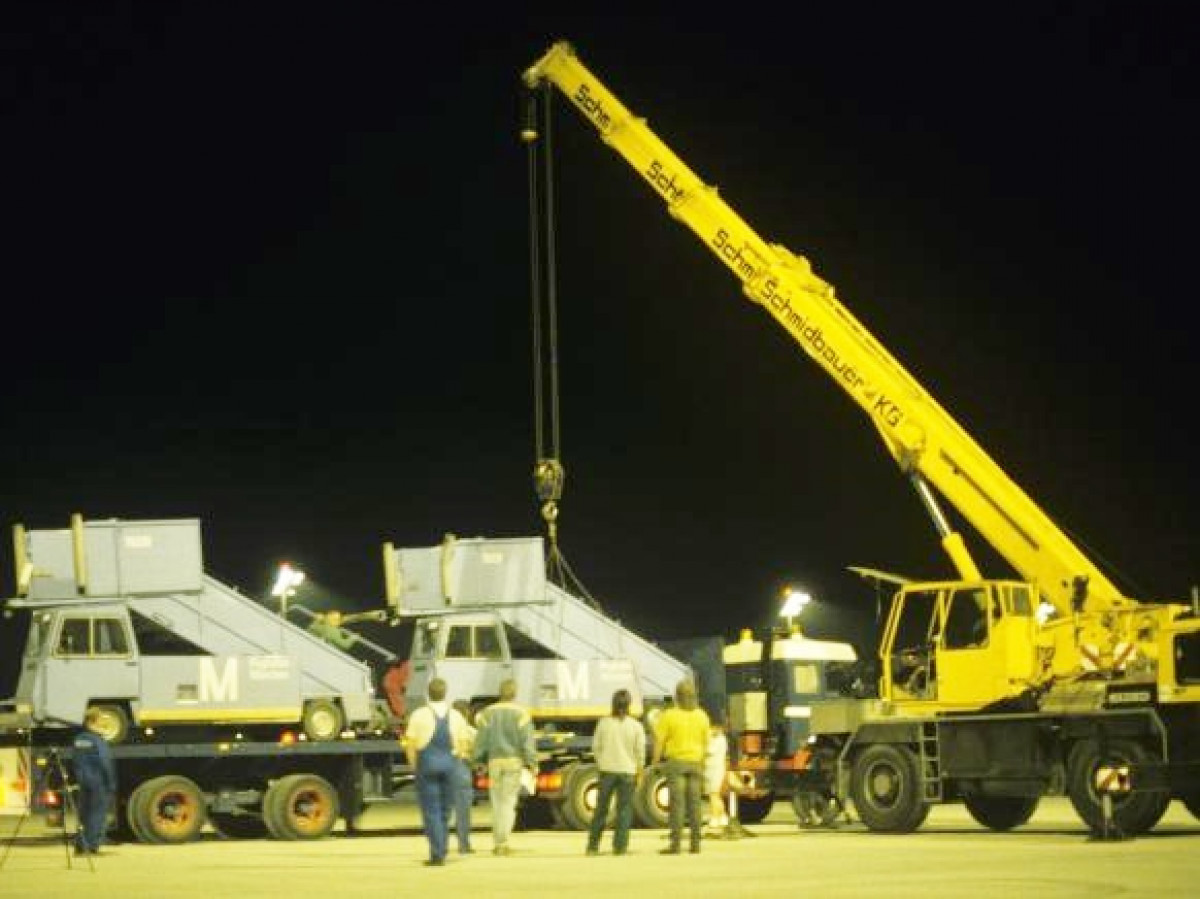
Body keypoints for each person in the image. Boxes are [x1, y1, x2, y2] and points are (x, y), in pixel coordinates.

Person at [404, 678, 472, 866]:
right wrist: (455, 758)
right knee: (445, 810)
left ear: (428, 692)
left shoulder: (419, 715)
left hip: (427, 765)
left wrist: (413, 765)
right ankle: (442, 847)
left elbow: (410, 744)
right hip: (450, 766)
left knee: (431, 810)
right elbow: (463, 744)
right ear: (445, 692)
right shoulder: (456, 716)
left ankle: (437, 853)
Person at [472, 678, 537, 856]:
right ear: (514, 694)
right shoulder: (521, 714)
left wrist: (478, 761)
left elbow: (481, 740)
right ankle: (503, 842)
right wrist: (532, 763)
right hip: (513, 761)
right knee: (508, 803)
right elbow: (527, 741)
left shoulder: (487, 713)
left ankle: (497, 841)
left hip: (494, 762)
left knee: (496, 802)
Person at [651, 679, 710, 854]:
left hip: (676, 763)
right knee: (695, 805)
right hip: (696, 763)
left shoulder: (669, 715)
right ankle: (695, 844)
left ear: (677, 696)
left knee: (677, 805)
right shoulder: (702, 716)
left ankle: (676, 844)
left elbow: (659, 741)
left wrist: (655, 762)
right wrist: (704, 764)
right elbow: (706, 744)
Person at [585, 688, 645, 856]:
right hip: (627, 771)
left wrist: (601, 762)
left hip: (607, 770)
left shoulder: (603, 723)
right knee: (624, 810)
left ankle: (592, 846)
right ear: (629, 705)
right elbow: (640, 752)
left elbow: (596, 747)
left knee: (601, 809)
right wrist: (639, 771)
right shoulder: (636, 726)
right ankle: (620, 847)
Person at [72, 706, 117, 856]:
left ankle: (80, 845)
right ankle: (92, 846)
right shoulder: (98, 741)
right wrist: (111, 783)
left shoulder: (79, 740)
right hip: (99, 782)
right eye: (100, 719)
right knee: (97, 814)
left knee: (84, 814)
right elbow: (105, 762)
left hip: (83, 781)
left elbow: (76, 761)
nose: (103, 722)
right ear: (93, 721)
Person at [449, 699, 478, 855]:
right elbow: (477, 751)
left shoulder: (441, 728)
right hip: (461, 766)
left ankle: (439, 843)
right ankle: (463, 843)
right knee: (462, 809)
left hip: (441, 764)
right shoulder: (469, 731)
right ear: (467, 713)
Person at [704, 714, 729, 832]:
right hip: (713, 768)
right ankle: (723, 817)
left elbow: (709, 751)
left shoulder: (718, 739)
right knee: (715, 794)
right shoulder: (720, 738)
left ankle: (714, 819)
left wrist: (706, 739)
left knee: (713, 794)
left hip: (714, 769)